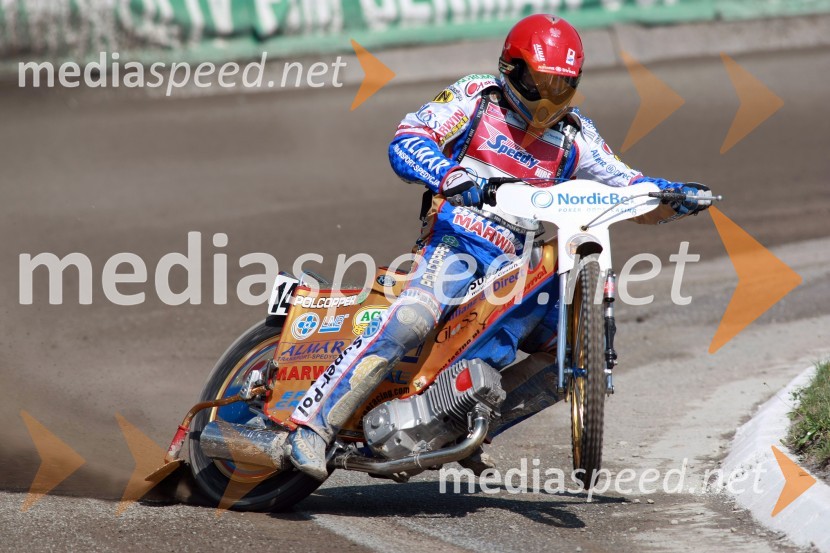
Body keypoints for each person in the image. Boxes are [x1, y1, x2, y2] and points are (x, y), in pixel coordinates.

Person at [284, 13, 712, 480]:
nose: (549, 96)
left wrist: (673, 195)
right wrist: (451, 177)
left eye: (561, 84)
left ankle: (460, 424)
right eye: (539, 81)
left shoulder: (576, 134)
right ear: (511, 69)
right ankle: (312, 425)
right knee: (413, 318)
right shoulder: (476, 96)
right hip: (454, 245)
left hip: (518, 266)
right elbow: (408, 139)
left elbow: (628, 183)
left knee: (569, 350)